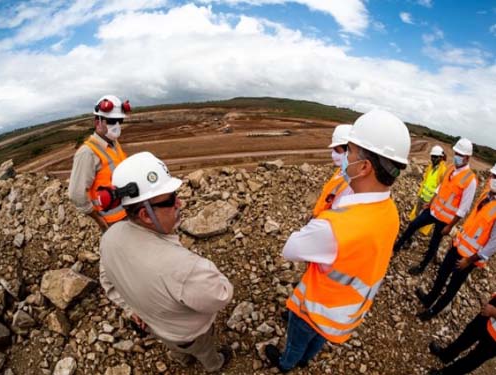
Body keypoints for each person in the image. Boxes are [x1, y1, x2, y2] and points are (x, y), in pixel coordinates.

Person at [265, 109, 411, 372]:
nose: (345, 158)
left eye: (350, 152)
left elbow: (291, 249)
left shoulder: (335, 227)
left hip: (314, 309)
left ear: (365, 166)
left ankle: (287, 365)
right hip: (343, 316)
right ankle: (307, 361)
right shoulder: (389, 211)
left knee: (296, 342)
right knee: (317, 340)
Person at [99, 152, 233, 372]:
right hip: (191, 335)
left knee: (175, 347)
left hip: (158, 328)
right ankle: (214, 365)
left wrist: (131, 309)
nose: (179, 203)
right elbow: (222, 294)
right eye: (170, 200)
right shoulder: (184, 268)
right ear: (145, 214)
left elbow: (108, 280)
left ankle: (181, 359)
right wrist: (203, 266)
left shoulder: (109, 238)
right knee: (205, 350)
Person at [416, 163, 496, 321]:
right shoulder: (487, 194)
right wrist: (458, 236)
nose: (492, 179)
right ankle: (429, 299)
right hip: (458, 245)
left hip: (469, 257)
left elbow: (493, 245)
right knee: (441, 274)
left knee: (452, 287)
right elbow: (474, 221)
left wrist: (469, 260)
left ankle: (433, 311)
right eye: (493, 176)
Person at [394, 138, 477, 275]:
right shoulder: (451, 168)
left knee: (433, 244)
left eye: (460, 155)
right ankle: (397, 247)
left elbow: (464, 208)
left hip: (445, 220)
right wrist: (431, 202)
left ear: (467, 158)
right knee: (414, 224)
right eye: (456, 153)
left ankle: (421, 267)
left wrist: (450, 226)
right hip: (433, 210)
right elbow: (440, 188)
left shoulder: (470, 180)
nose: (456, 156)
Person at [68, 95, 131, 231]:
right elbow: (76, 194)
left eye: (120, 121)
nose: (117, 126)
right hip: (112, 222)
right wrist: (99, 219)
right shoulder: (87, 153)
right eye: (112, 121)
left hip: (128, 213)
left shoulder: (114, 144)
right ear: (98, 122)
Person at [428, 293, 496, 375]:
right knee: (467, 336)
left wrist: (493, 312)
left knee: (474, 358)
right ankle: (446, 355)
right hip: (489, 315)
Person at [312, 124, 353, 217]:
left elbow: (337, 212)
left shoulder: (351, 184)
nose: (333, 155)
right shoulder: (342, 171)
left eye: (337, 150)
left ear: (349, 151)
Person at [408, 145, 447, 236]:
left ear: (440, 158)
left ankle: (413, 235)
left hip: (430, 201)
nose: (432, 158)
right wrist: (420, 193)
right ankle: (410, 232)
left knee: (420, 221)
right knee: (416, 215)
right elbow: (425, 181)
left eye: (435, 157)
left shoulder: (443, 170)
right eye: (432, 156)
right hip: (422, 197)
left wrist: (433, 201)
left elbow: (441, 188)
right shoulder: (430, 167)